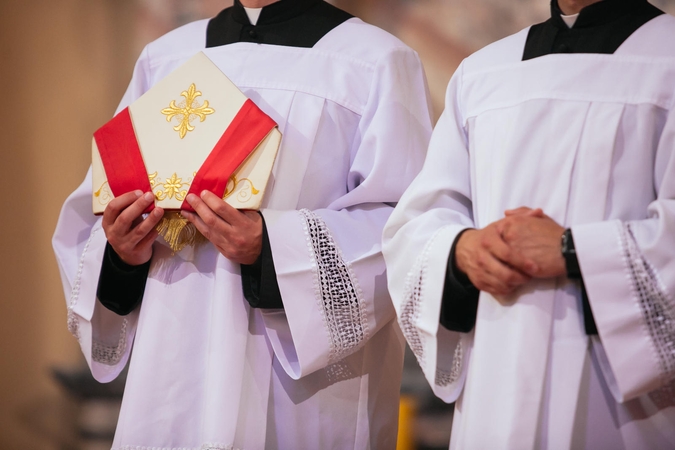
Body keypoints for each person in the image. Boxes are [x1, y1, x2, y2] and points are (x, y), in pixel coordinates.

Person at [53, 1, 432, 448]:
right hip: (170, 375)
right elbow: (96, 213)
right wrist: (121, 252)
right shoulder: (164, 59)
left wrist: (271, 248)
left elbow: (404, 231)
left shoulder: (374, 62)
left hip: (303, 399)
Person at [383, 0, 675, 448]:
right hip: (491, 395)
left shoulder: (665, 60)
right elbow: (417, 223)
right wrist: (460, 250)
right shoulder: (482, 75)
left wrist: (574, 251)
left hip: (622, 413)